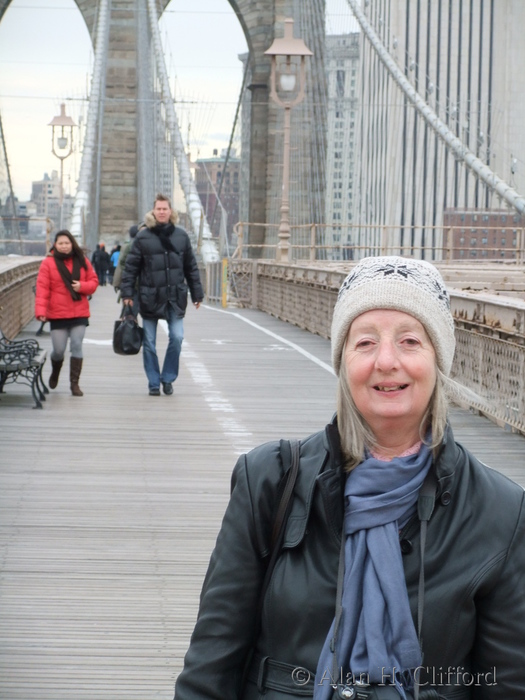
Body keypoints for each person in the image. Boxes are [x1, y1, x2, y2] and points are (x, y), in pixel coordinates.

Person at [174, 256, 525, 700]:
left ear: (439, 361)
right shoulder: (269, 482)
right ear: (342, 361)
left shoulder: (500, 512)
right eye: (364, 343)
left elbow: (508, 685)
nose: (386, 361)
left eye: (410, 341)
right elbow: (211, 665)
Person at [120, 194, 204, 396]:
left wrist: (197, 294)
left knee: (177, 337)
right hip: (150, 296)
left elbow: (191, 267)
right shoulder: (143, 237)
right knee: (149, 342)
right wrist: (127, 294)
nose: (162, 212)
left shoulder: (181, 236)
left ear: (171, 211)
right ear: (153, 211)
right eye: (158, 209)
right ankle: (153, 382)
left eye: (165, 209)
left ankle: (167, 378)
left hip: (175, 297)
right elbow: (130, 268)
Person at [35, 229, 99, 396]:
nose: (64, 246)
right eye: (60, 243)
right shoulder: (48, 263)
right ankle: (55, 371)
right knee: (58, 350)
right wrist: (41, 311)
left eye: (67, 243)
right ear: (55, 245)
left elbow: (94, 281)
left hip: (79, 312)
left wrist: (82, 287)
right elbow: (42, 289)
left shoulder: (82, 260)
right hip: (57, 313)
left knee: (77, 345)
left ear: (72, 244)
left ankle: (74, 384)